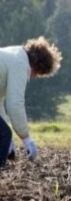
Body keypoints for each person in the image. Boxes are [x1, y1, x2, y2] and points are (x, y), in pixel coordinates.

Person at [0, 36, 62, 168]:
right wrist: (26, 139)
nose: (33, 77)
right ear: (38, 66)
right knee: (4, 134)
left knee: (4, 134)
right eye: (38, 73)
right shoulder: (21, 63)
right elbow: (14, 104)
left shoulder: (14, 54)